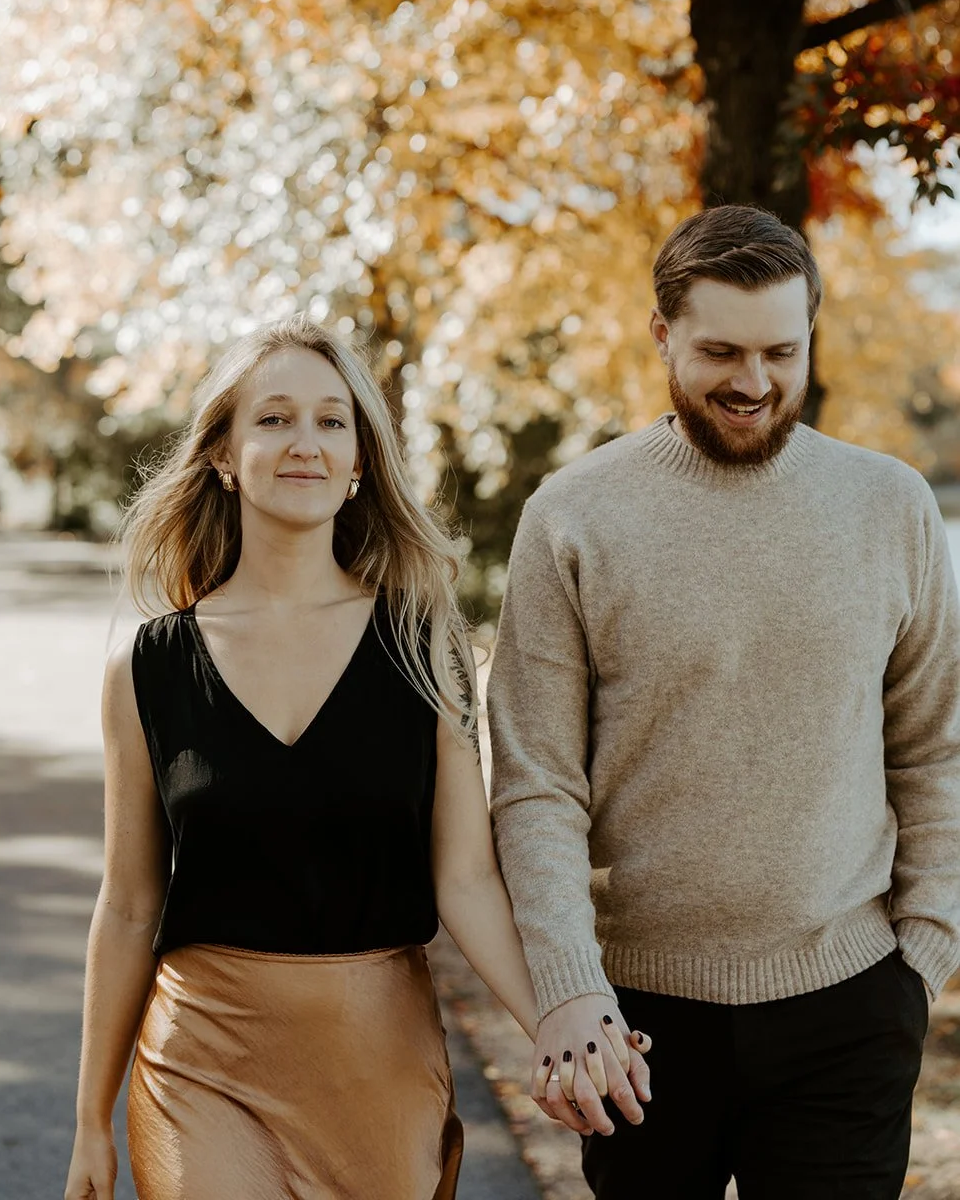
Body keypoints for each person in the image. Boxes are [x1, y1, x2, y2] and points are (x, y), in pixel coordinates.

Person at [488, 204, 960, 1199]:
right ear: (661, 334)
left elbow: (934, 749)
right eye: (719, 352)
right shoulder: (571, 516)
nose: (752, 382)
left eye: (780, 352)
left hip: (850, 1008)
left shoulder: (890, 507)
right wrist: (569, 987)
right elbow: (535, 783)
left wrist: (921, 956)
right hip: (638, 1024)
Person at [64, 314, 542, 1200]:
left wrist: (555, 1026)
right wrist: (91, 1118)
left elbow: (467, 880)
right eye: (274, 418)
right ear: (223, 453)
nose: (304, 443)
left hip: (379, 1063)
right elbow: (129, 904)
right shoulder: (148, 667)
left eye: (331, 421)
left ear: (359, 460)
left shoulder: (423, 644)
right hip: (202, 1062)